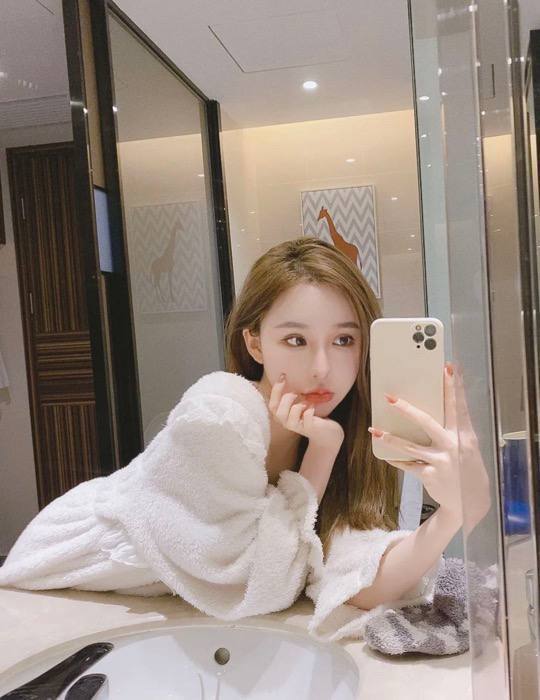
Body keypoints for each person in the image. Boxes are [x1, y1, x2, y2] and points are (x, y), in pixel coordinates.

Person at [0, 237, 487, 641]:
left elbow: (356, 580)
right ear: (255, 343)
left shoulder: (349, 431)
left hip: (128, 608)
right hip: (54, 575)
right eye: (295, 340)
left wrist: (454, 512)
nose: (322, 368)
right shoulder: (219, 415)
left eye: (344, 339)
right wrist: (321, 451)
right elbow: (264, 583)